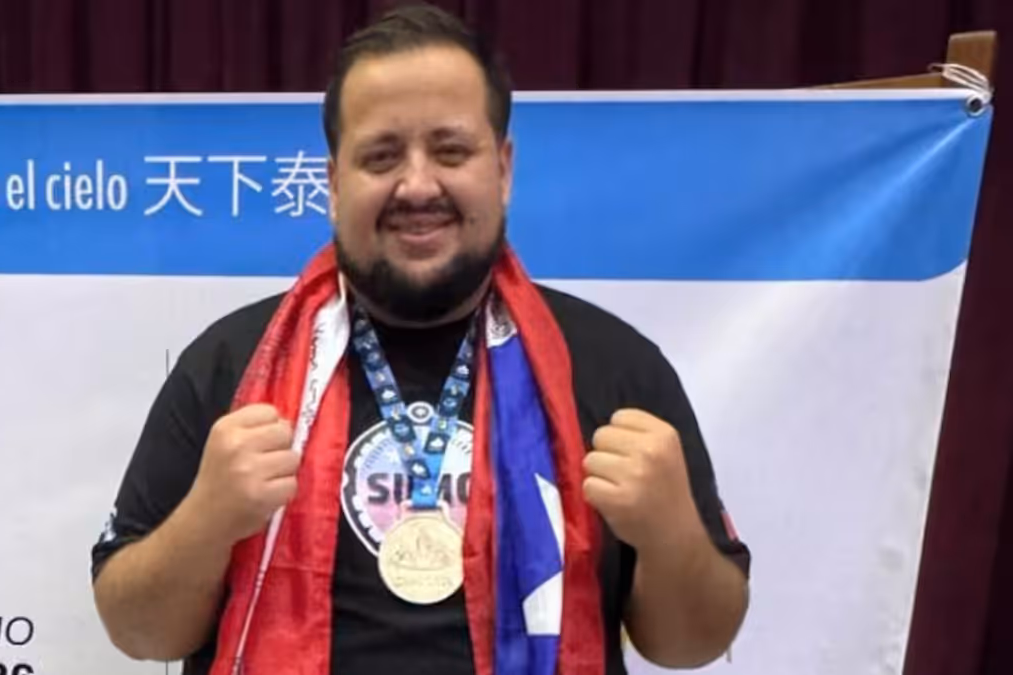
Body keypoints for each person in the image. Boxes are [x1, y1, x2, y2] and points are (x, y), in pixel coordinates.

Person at [90, 4, 751, 675]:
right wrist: (209, 516)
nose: (416, 184)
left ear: (503, 170)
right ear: (333, 182)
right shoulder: (234, 364)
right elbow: (139, 631)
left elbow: (692, 644)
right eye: (381, 156)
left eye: (450, 150)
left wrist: (669, 531)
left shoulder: (613, 367)